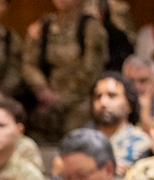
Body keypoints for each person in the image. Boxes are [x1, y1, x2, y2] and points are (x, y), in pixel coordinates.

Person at [22, 0, 108, 138]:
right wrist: (42, 88)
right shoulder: (44, 25)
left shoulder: (91, 28)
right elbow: (28, 64)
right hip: (46, 97)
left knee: (76, 135)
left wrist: (61, 98)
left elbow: (91, 70)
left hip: (79, 99)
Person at [91, 71, 151, 173]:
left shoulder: (142, 144)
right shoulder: (84, 139)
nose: (103, 103)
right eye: (98, 96)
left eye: (112, 96)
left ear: (129, 105)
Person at [122, 53, 154, 132]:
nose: (136, 87)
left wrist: (145, 114)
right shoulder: (119, 108)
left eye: (143, 81)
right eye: (131, 81)